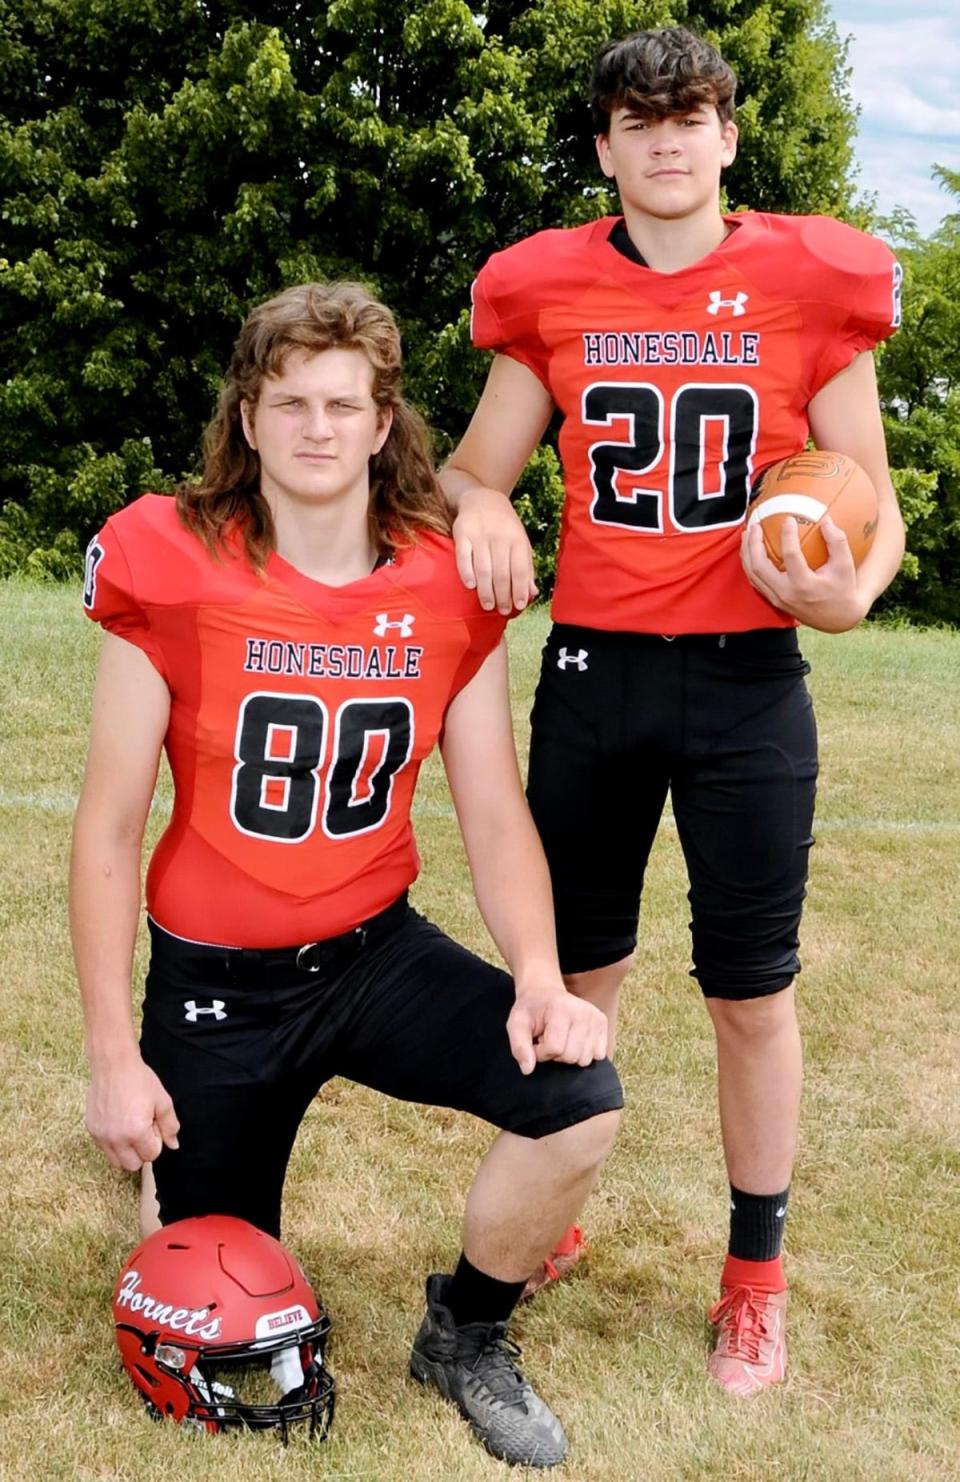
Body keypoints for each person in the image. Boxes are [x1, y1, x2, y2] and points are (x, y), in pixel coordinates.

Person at [70, 281, 623, 1467]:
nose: (317, 428)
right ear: (249, 417)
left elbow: (491, 804)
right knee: (213, 1280)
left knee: (580, 1097)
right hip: (217, 981)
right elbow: (110, 827)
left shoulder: (443, 580)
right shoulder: (172, 560)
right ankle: (172, 1153)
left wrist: (537, 970)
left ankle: (466, 1333)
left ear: (384, 424)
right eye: (290, 403)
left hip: (374, 949)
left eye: (344, 404)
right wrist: (114, 1056)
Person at [440, 26, 903, 1395]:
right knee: (576, 977)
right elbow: (472, 470)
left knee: (749, 990)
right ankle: (549, 1205)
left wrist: (853, 595)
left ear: (727, 136)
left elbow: (869, 501)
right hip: (595, 671)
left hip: (750, 683)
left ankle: (753, 1277)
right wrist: (487, 520)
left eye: (690, 115)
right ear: (604, 147)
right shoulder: (550, 285)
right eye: (637, 120)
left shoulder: (809, 280)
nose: (664, 139)